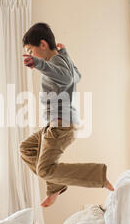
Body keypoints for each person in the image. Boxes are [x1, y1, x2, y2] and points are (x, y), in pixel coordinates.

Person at [19, 22, 114, 208]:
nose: (30, 55)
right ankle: (56, 186)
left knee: (45, 170)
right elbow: (77, 75)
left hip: (61, 125)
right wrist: (66, 54)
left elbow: (68, 78)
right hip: (55, 124)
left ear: (43, 45)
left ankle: (98, 176)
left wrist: (38, 63)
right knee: (26, 148)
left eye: (31, 50)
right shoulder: (61, 61)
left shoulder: (53, 64)